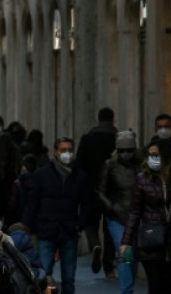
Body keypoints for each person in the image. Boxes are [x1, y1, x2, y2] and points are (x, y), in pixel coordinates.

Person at [23, 137, 92, 294]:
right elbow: (32, 202)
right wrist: (28, 226)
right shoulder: (42, 175)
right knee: (44, 275)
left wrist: (79, 225)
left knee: (68, 277)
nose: (67, 153)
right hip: (47, 230)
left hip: (69, 230)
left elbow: (87, 203)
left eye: (69, 150)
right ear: (55, 152)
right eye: (63, 150)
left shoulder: (80, 177)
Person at [120, 140, 171, 294]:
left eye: (156, 155)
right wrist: (126, 242)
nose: (152, 158)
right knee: (155, 284)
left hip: (169, 239)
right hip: (152, 239)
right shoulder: (142, 179)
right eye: (150, 155)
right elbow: (135, 212)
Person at [96, 130, 140, 294]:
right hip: (118, 218)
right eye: (122, 150)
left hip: (137, 216)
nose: (126, 154)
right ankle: (126, 291)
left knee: (132, 255)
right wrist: (111, 207)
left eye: (129, 150)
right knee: (125, 254)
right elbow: (100, 191)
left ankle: (128, 287)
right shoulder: (110, 165)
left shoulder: (139, 165)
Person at [74, 107, 117, 276]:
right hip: (113, 190)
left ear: (98, 119)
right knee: (110, 227)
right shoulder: (118, 138)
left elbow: (79, 165)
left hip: (91, 189)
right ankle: (109, 267)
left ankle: (94, 244)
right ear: (112, 119)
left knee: (90, 222)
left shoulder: (88, 139)